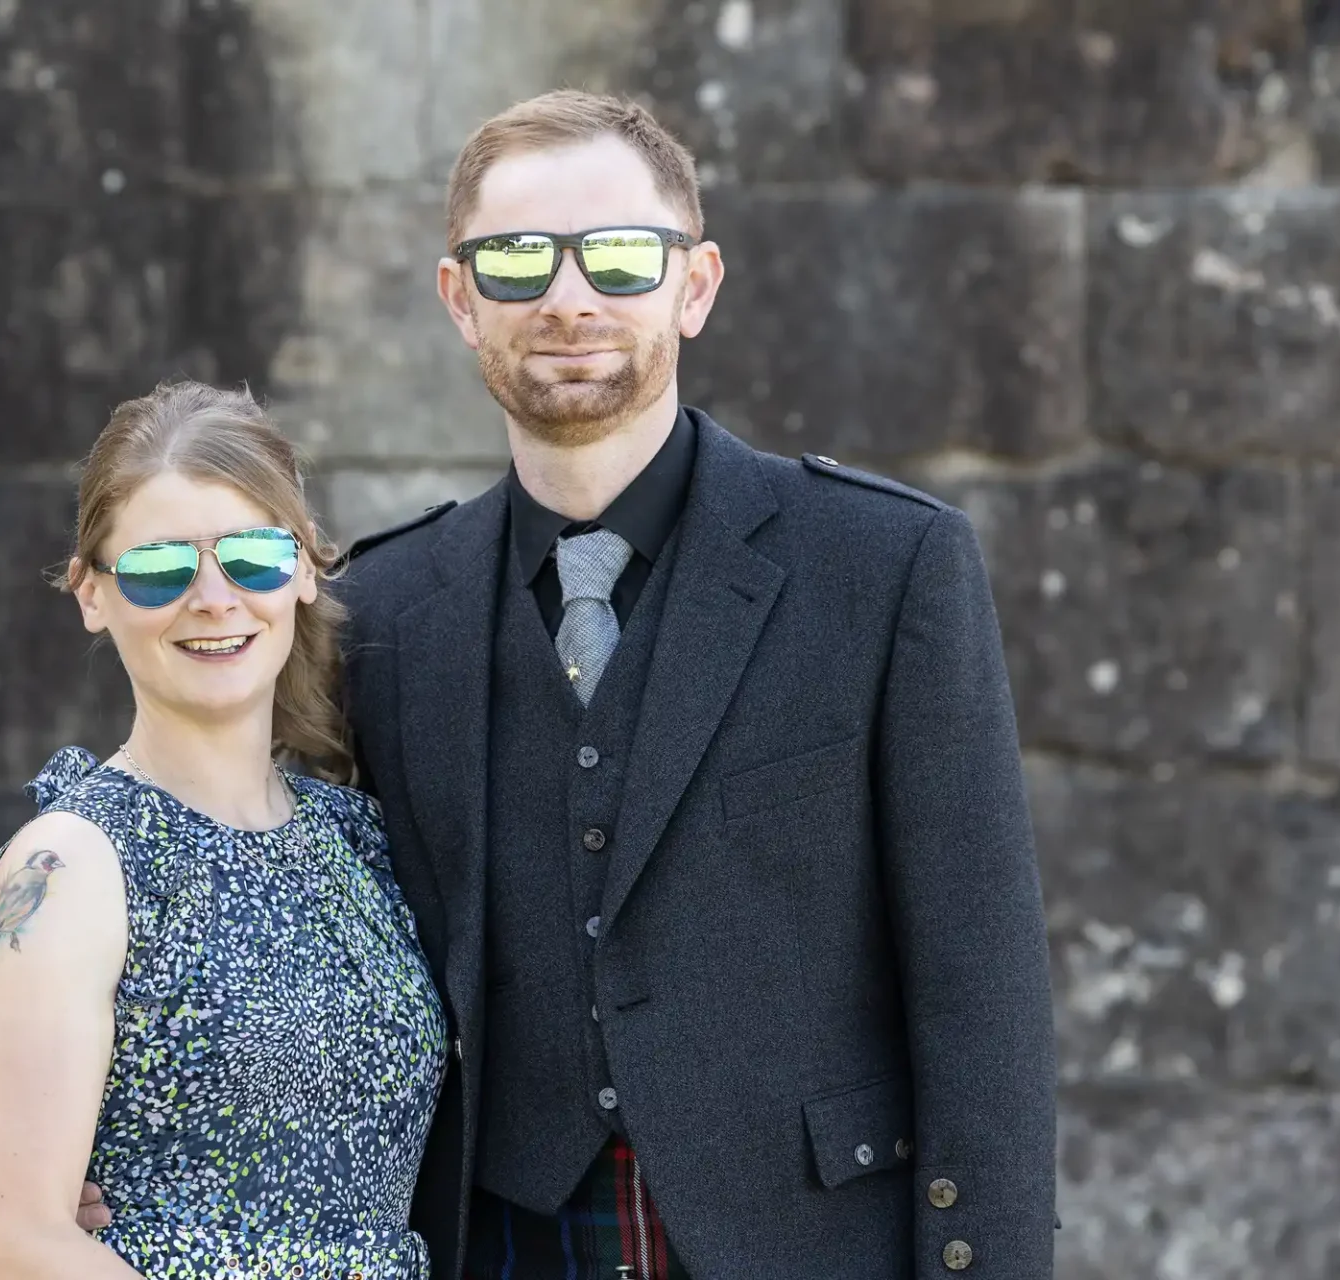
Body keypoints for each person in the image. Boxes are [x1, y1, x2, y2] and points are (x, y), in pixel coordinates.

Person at [327, 89, 1061, 1279]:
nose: (569, 297)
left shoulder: (884, 567)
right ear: (462, 299)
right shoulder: (383, 612)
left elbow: (982, 993)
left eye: (619, 256)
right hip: (504, 1244)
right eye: (517, 261)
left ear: (696, 284)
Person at [0, 382, 447, 1279]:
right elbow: (16, 1245)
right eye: (158, 568)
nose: (213, 598)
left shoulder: (355, 839)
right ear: (92, 593)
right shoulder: (74, 867)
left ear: (301, 569)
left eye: (250, 555)